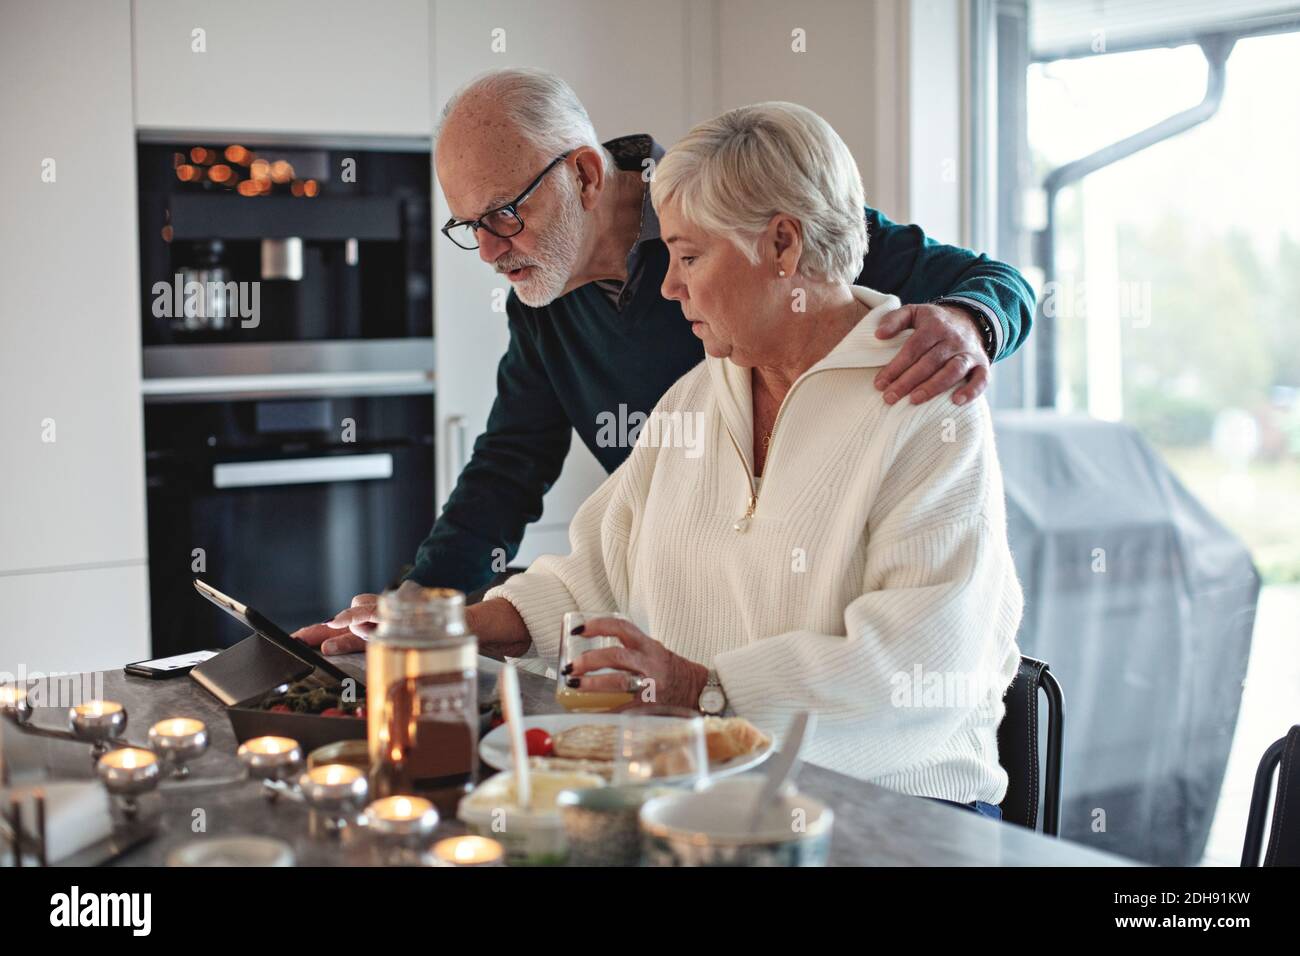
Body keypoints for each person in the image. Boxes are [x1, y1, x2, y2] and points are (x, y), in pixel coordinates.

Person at [308, 99, 1026, 813]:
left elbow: (922, 666)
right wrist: (437, 624)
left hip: (891, 819)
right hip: (711, 793)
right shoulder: (696, 397)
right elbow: (593, 572)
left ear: (782, 248)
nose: (670, 284)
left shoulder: (927, 401)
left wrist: (701, 689)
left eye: (687, 257)